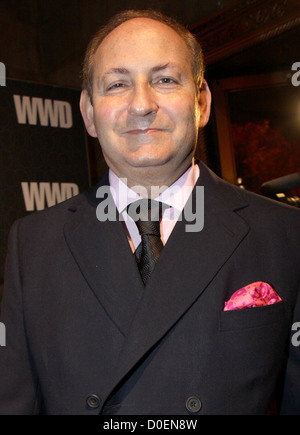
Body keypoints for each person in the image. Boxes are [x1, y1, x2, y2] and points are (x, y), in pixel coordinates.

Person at [0, 9, 299, 415]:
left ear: (202, 102)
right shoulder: (33, 244)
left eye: (164, 79)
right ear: (89, 113)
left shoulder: (285, 233)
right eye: (118, 84)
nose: (141, 104)